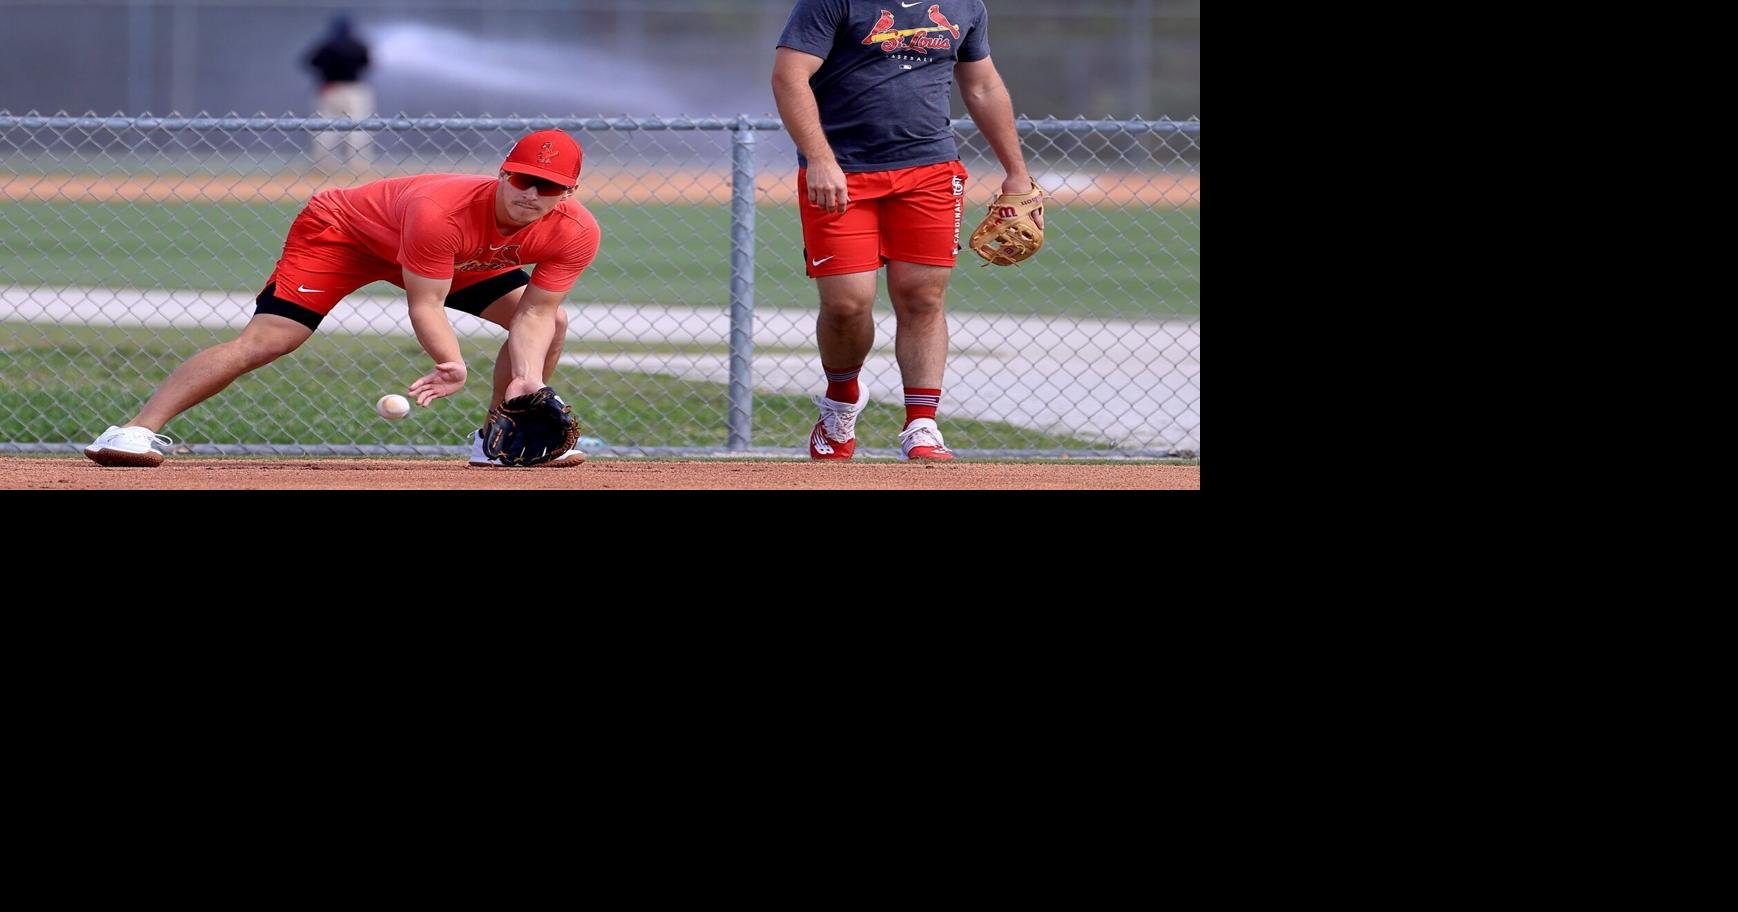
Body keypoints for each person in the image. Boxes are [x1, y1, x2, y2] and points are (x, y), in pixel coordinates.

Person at [84, 129, 600, 469]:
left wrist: (527, 380)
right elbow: (426, 302)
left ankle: (498, 443)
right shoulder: (441, 211)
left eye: (549, 186)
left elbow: (536, 312)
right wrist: (450, 361)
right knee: (270, 339)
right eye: (523, 179)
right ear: (503, 172)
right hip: (345, 236)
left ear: (569, 192)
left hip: (449, 256)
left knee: (551, 326)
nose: (532, 194)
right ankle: (130, 433)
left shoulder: (575, 232)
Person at [771, 1, 1041, 461]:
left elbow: (982, 86)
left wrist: (1016, 172)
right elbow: (789, 76)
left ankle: (921, 423)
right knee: (845, 303)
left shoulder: (965, 5)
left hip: (930, 169)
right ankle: (841, 399)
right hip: (844, 170)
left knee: (923, 296)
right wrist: (819, 158)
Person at [303, 14, 375, 172]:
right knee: (358, 127)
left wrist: (327, 73)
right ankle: (359, 165)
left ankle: (323, 165)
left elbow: (310, 62)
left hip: (330, 89)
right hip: (355, 90)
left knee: (325, 128)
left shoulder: (326, 46)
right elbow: (367, 63)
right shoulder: (359, 46)